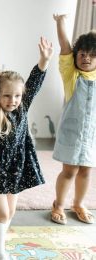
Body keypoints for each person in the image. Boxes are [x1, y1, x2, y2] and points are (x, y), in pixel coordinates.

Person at [0, 34, 53, 259]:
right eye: (7, 95)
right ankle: (0, 253)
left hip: (16, 166)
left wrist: (44, 60)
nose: (13, 100)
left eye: (17, 95)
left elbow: (35, 82)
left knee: (9, 213)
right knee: (1, 213)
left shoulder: (23, 107)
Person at [51, 14, 96, 225]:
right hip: (71, 134)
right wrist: (60, 23)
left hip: (92, 135)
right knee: (69, 171)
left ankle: (78, 203)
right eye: (82, 54)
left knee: (86, 171)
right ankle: (58, 205)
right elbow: (65, 46)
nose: (86, 58)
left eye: (92, 55)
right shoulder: (72, 75)